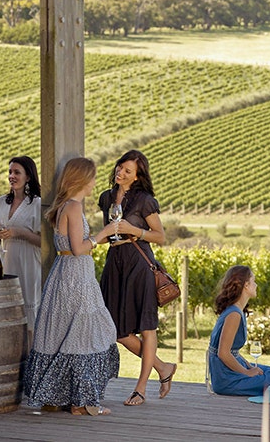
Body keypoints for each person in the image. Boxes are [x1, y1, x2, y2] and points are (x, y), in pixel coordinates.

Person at [23, 157, 119, 416]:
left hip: (64, 274)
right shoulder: (74, 207)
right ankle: (83, 402)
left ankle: (59, 397)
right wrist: (103, 234)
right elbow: (78, 249)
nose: (95, 182)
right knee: (89, 333)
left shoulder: (65, 206)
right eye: (93, 177)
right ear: (83, 179)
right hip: (76, 275)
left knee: (65, 333)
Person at [97, 149, 176, 407]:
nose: (121, 172)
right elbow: (108, 231)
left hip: (139, 264)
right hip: (115, 263)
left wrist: (134, 230)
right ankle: (163, 367)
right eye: (120, 167)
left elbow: (160, 236)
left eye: (127, 171)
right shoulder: (106, 197)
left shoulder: (144, 200)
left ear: (137, 176)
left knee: (146, 326)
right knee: (117, 330)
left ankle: (141, 388)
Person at [207, 265, 270, 396]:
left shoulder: (236, 310)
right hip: (227, 379)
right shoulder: (234, 314)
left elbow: (231, 351)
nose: (256, 285)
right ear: (246, 285)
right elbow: (223, 353)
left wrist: (248, 366)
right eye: (253, 281)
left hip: (231, 371)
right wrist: (246, 372)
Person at [0, 156, 41, 341]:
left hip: (29, 263)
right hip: (5, 262)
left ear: (28, 177)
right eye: (10, 172)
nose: (12, 176)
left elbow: (45, 242)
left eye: (17, 172)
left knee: (30, 317)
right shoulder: (1, 202)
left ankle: (31, 363)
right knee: (8, 314)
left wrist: (19, 232)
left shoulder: (37, 204)